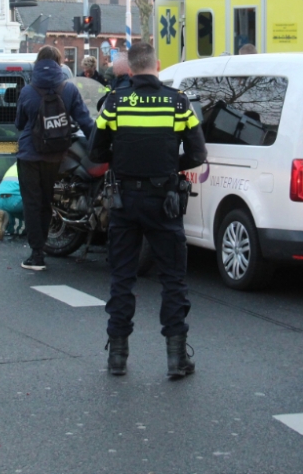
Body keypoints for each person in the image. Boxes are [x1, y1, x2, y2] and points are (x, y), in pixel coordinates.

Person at [90, 42, 207, 379]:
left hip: (125, 201)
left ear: (130, 67)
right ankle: (176, 358)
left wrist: (124, 160)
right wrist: (171, 166)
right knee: (172, 279)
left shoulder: (115, 102)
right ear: (156, 64)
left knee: (122, 278)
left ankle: (117, 357)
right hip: (164, 201)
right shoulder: (178, 102)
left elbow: (97, 151)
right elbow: (198, 155)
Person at [15, 46, 94, 271]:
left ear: (37, 63)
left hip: (29, 154)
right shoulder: (68, 90)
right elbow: (86, 121)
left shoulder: (28, 91)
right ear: (59, 64)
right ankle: (41, 247)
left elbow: (19, 123)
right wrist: (100, 143)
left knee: (32, 202)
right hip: (55, 155)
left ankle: (36, 253)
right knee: (47, 201)